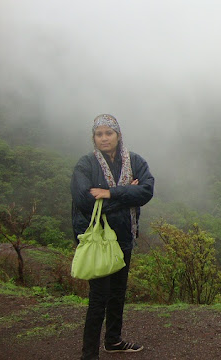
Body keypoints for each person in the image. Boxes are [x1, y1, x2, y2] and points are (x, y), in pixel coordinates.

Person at [71, 114, 154, 360]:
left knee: (118, 292)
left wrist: (110, 192)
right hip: (98, 239)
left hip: (124, 236)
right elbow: (84, 200)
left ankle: (113, 340)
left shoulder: (135, 161)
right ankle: (89, 354)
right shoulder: (85, 164)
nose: (104, 138)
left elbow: (147, 190)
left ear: (118, 135)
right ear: (94, 138)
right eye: (99, 134)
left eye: (109, 133)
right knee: (99, 298)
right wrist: (127, 192)